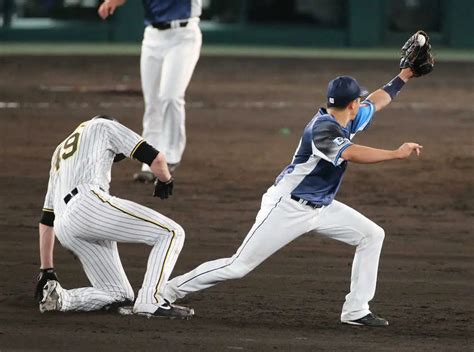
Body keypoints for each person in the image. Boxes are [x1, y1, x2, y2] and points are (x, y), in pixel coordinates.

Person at [162, 65, 430, 326]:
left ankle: (356, 310)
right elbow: (350, 153)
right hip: (287, 206)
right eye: (359, 100)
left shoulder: (346, 116)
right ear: (352, 104)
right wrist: (395, 153)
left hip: (321, 207)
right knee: (239, 266)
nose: (362, 104)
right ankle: (165, 292)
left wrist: (405, 75)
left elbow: (377, 101)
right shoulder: (323, 128)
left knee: (372, 235)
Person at [35, 115, 194, 319]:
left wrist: (46, 269)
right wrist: (165, 180)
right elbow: (157, 159)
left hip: (64, 226)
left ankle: (61, 299)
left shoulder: (60, 152)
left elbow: (47, 219)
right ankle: (150, 301)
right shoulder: (104, 125)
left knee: (118, 294)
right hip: (87, 205)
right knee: (171, 233)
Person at [98, 0, 202, 182]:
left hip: (184, 35)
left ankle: (170, 157)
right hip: (153, 36)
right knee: (153, 104)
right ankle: (150, 160)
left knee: (170, 97)